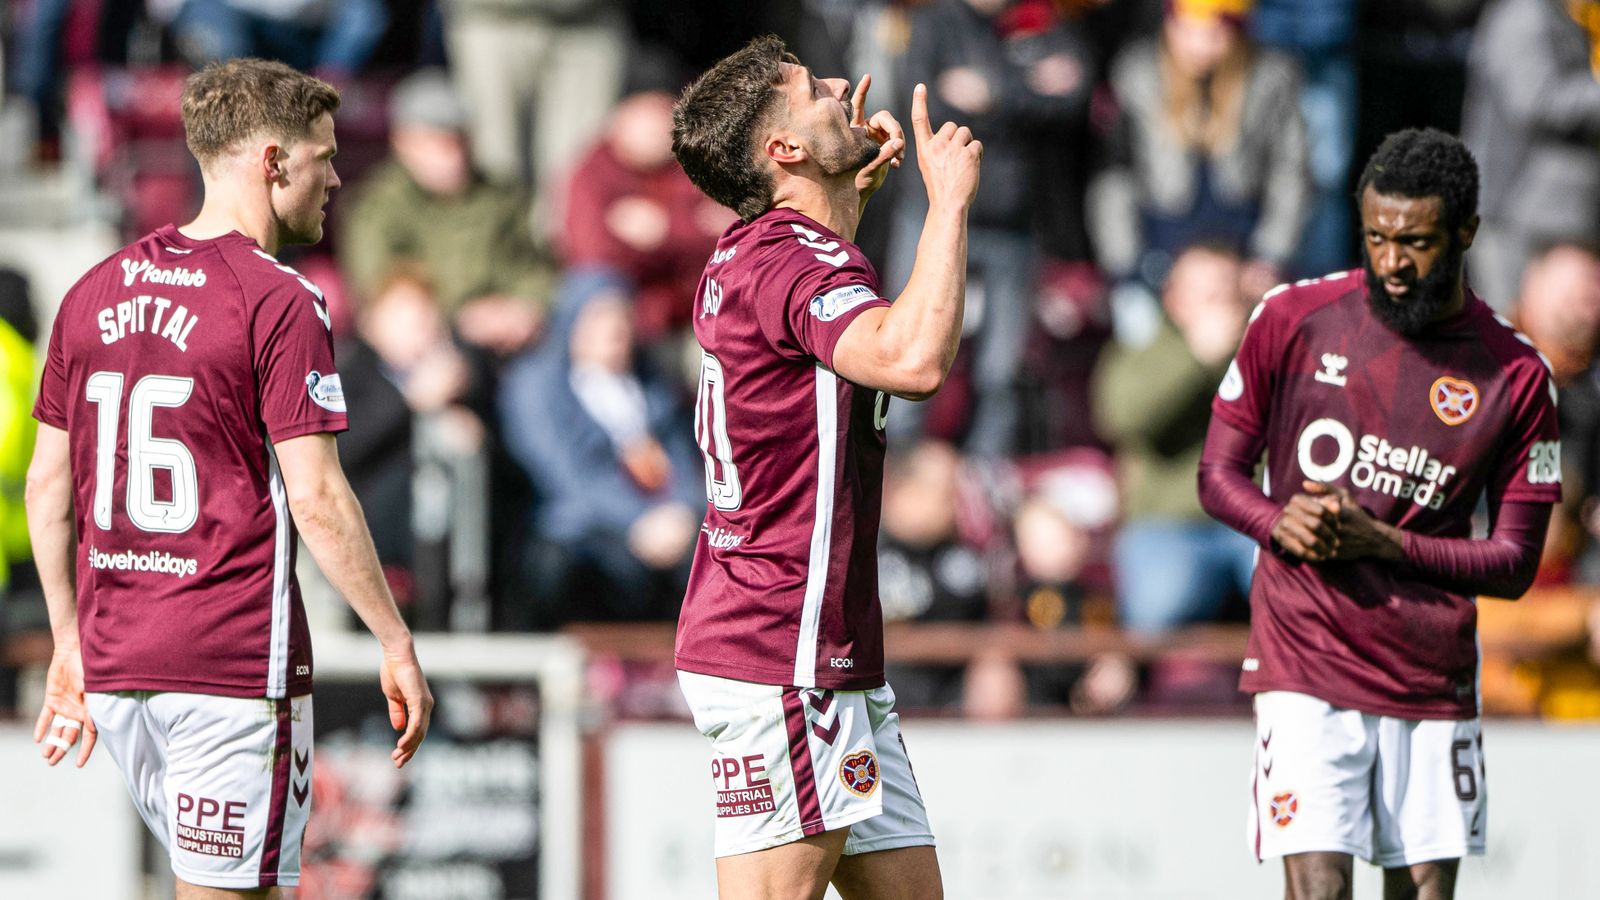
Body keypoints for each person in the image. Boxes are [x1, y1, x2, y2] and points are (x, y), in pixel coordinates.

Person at [24, 58, 433, 898]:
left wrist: (70, 640)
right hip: (228, 669)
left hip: (118, 665)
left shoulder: (90, 290)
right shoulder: (278, 298)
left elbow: (47, 489)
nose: (337, 175)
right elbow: (317, 496)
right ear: (274, 160)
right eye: (324, 155)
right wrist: (394, 641)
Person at [1198, 128, 1561, 900]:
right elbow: (1218, 474)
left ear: (1466, 231)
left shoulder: (1519, 374)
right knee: (1320, 889)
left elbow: (1516, 565)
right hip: (1306, 658)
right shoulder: (1291, 316)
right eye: (1377, 237)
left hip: (1429, 677)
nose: (1392, 263)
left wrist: (1382, 542)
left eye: (1418, 242)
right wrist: (1275, 523)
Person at [670, 34, 981, 899]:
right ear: (785, 150)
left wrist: (849, 189)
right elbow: (913, 361)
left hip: (816, 648)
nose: (844, 84)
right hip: (781, 651)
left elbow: (817, 290)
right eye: (815, 89)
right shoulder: (797, 263)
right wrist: (948, 203)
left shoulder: (746, 249)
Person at [1094, 243, 1257, 633]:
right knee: (1156, 610)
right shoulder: (1144, 351)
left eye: (1226, 292)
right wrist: (1197, 361)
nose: (1219, 304)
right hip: (1168, 523)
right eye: (1206, 294)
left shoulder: (1267, 347)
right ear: (1174, 299)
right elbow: (1121, 418)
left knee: (1302, 599)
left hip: (1253, 520)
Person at [340, 68, 552, 359]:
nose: (454, 157)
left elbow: (533, 267)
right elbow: (379, 289)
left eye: (461, 141)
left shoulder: (501, 197)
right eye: (439, 144)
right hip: (425, 342)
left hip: (509, 338)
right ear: (403, 142)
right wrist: (460, 318)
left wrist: (524, 307)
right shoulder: (378, 206)